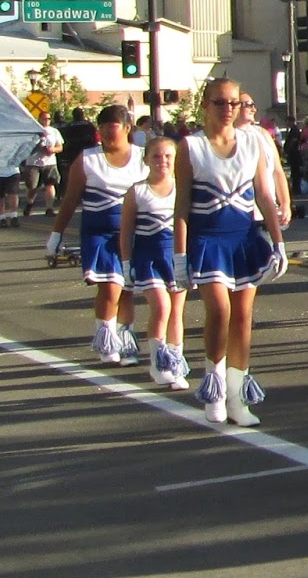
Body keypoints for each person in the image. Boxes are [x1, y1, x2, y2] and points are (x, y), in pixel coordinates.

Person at [175, 78, 287, 426]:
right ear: (205, 106)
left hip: (244, 238)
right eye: (220, 103)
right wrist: (180, 257)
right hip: (208, 240)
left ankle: (239, 396)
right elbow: (181, 206)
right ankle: (215, 386)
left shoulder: (253, 142)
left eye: (234, 103)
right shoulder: (191, 147)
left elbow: (264, 196)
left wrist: (279, 242)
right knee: (220, 311)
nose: (228, 110)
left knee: (243, 316)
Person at [45, 105, 145, 365]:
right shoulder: (87, 159)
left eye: (114, 130)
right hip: (98, 233)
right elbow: (69, 200)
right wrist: (56, 236)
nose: (108, 137)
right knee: (110, 287)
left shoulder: (142, 158)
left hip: (133, 233)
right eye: (103, 131)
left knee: (126, 290)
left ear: (126, 129)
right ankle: (106, 339)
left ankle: (126, 340)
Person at [119, 135, 189, 389]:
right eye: (156, 156)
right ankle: (158, 362)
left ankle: (175, 364)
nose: (163, 161)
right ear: (146, 160)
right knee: (161, 307)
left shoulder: (183, 189)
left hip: (176, 256)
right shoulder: (137, 191)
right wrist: (126, 264)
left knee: (176, 312)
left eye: (168, 156)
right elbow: (126, 232)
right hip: (148, 258)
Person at [237, 91, 291, 232]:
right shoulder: (228, 138)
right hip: (241, 214)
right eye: (248, 105)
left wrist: (285, 204)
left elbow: (278, 171)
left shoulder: (262, 134)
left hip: (267, 213)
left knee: (273, 252)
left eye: (253, 105)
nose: (253, 109)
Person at [22, 116, 64, 217]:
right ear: (39, 119)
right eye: (44, 118)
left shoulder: (54, 131)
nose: (47, 120)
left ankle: (49, 208)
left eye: (49, 118)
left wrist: (53, 150)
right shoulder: (32, 131)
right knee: (32, 187)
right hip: (33, 163)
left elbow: (60, 147)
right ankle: (30, 203)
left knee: (50, 184)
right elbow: (25, 147)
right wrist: (38, 146)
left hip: (49, 162)